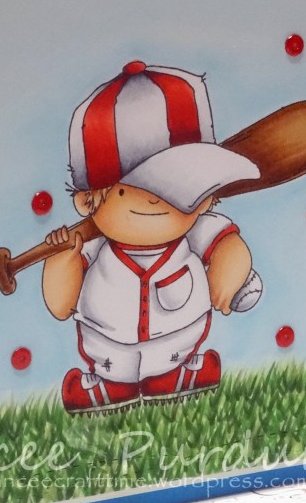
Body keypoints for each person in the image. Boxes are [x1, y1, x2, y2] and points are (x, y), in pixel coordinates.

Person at [42, 60, 260, 414]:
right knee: (114, 370)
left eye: (176, 184)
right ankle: (110, 387)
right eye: (133, 189)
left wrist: (228, 274)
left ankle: (175, 376)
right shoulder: (92, 246)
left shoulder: (195, 232)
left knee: (173, 362)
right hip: (110, 349)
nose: (157, 199)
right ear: (88, 201)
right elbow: (60, 305)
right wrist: (61, 260)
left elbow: (229, 247)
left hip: (178, 341)